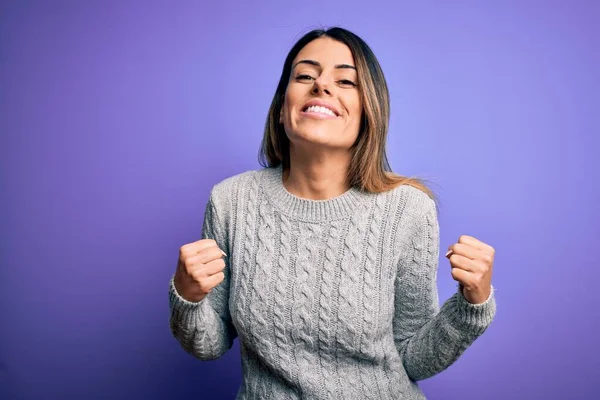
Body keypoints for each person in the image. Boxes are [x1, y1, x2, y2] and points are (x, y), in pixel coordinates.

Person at [169, 26, 496, 399]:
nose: (321, 85)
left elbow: (413, 357)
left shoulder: (408, 210)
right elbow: (208, 344)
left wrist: (472, 305)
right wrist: (187, 294)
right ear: (281, 109)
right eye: (305, 75)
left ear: (367, 112)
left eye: (345, 81)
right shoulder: (231, 200)